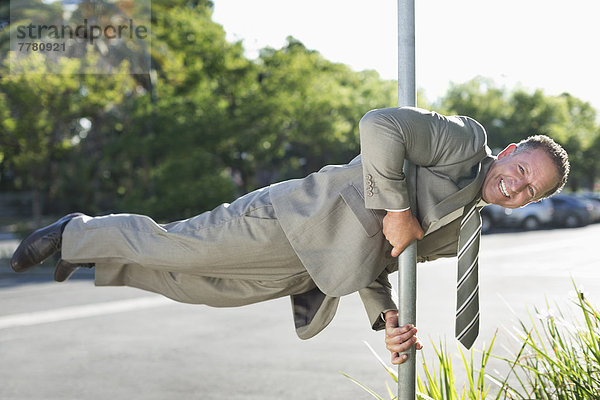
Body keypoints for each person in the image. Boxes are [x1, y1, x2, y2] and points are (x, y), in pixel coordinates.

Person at [10, 107, 569, 365]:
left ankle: (88, 260)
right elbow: (380, 125)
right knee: (180, 245)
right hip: (295, 220)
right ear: (514, 150)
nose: (516, 187)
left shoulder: (467, 230)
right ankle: (76, 233)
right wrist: (398, 208)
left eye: (530, 192)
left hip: (316, 269)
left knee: (198, 288)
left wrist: (388, 321)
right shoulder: (464, 143)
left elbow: (385, 260)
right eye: (522, 170)